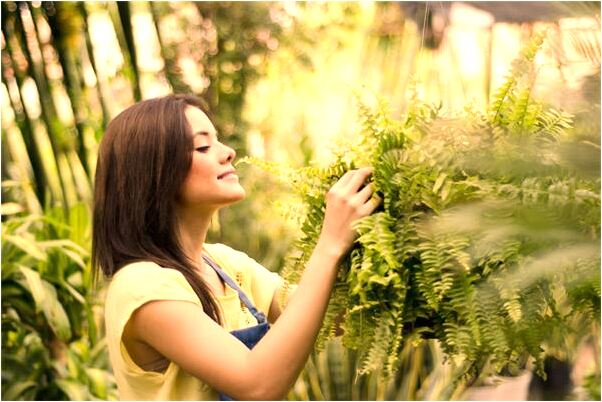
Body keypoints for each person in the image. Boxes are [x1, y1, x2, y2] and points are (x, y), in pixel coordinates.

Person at [92, 94, 379, 400]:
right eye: (203, 147)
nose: (228, 152)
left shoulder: (225, 265)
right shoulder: (142, 285)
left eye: (218, 141)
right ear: (155, 172)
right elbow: (256, 383)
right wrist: (330, 244)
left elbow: (331, 315)